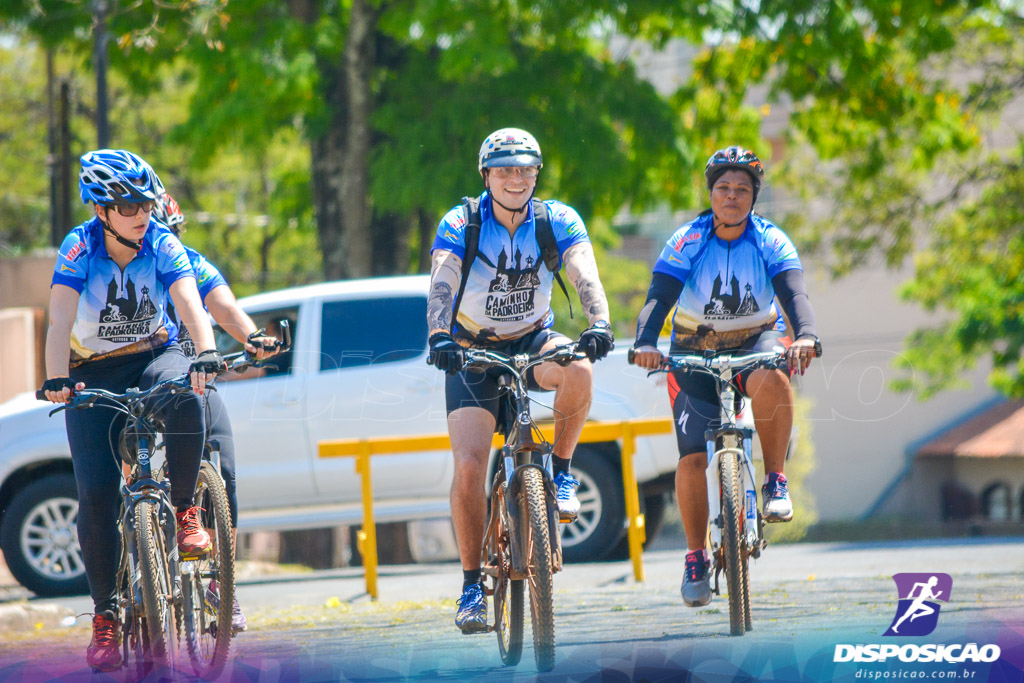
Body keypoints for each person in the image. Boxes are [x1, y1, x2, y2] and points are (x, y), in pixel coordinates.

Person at [40, 149, 225, 672]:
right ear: (101, 210)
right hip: (92, 370)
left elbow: (189, 300)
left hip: (154, 354)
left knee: (189, 393)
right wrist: (57, 377)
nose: (142, 214)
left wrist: (204, 350)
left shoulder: (162, 242)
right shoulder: (79, 247)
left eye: (145, 203)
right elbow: (59, 320)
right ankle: (104, 617)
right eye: (127, 205)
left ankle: (187, 512)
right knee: (95, 496)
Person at [426, 127, 615, 634]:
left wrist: (599, 321)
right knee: (468, 466)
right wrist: (439, 336)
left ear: (537, 174)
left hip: (532, 339)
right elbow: (442, 280)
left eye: (525, 168)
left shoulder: (557, 220)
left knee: (579, 367)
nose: (515, 178)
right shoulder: (462, 221)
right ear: (486, 176)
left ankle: (563, 470)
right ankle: (470, 587)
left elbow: (583, 273)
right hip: (470, 348)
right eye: (504, 169)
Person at [631, 146, 820, 608]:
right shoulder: (687, 239)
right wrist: (645, 342)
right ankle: (695, 555)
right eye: (723, 188)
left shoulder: (771, 239)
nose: (731, 197)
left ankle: (775, 479)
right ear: (710, 194)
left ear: (754, 196)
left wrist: (807, 335)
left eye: (741, 189)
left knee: (774, 373)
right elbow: (658, 298)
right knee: (692, 457)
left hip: (756, 339)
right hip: (693, 347)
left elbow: (793, 295)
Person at [152, 191, 282, 633]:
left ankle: (220, 588)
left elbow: (224, 306)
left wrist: (251, 337)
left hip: (193, 384)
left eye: (171, 232)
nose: (163, 240)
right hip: (145, 382)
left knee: (224, 471)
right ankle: (133, 564)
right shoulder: (126, 269)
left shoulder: (189, 262)